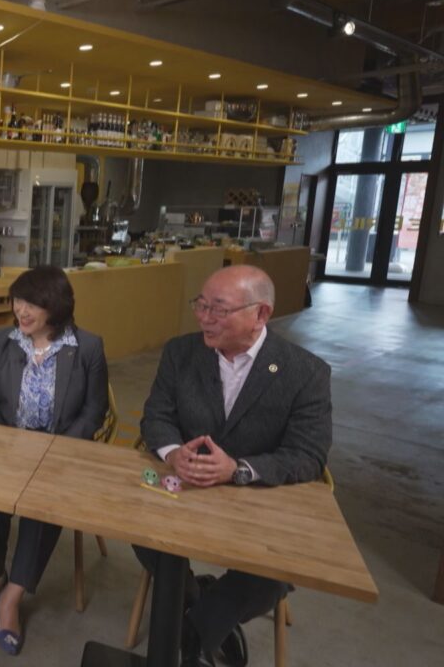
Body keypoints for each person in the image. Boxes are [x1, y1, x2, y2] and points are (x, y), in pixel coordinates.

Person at [136, 265, 332, 667]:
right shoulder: (181, 353)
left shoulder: (305, 372)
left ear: (261, 314)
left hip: (259, 501)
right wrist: (172, 453)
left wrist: (238, 469)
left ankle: (192, 631)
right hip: (186, 490)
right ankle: (194, 597)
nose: (204, 318)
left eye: (219, 309)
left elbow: (308, 455)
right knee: (137, 527)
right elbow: (156, 417)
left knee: (272, 573)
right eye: (201, 305)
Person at [0, 266, 108, 657]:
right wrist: (5, 441)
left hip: (60, 452)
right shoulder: (2, 340)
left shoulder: (87, 347)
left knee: (40, 506)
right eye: (18, 301)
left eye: (33, 303)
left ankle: (13, 596)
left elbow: (93, 411)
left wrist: (55, 451)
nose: (22, 311)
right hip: (7, 444)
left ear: (56, 306)